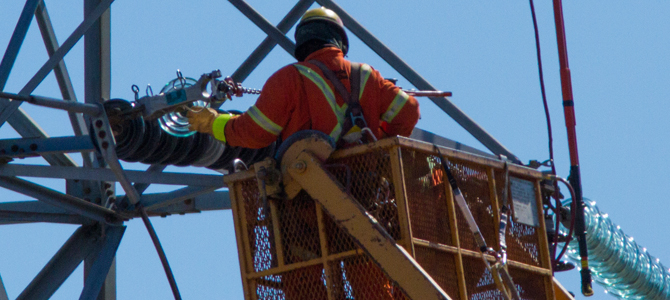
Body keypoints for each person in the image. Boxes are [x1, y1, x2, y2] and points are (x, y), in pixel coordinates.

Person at [187, 7, 420, 149]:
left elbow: (255, 132)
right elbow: (409, 110)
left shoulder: (287, 79)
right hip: (367, 190)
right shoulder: (367, 75)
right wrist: (379, 139)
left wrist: (212, 123)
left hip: (309, 203)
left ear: (301, 43)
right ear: (339, 40)